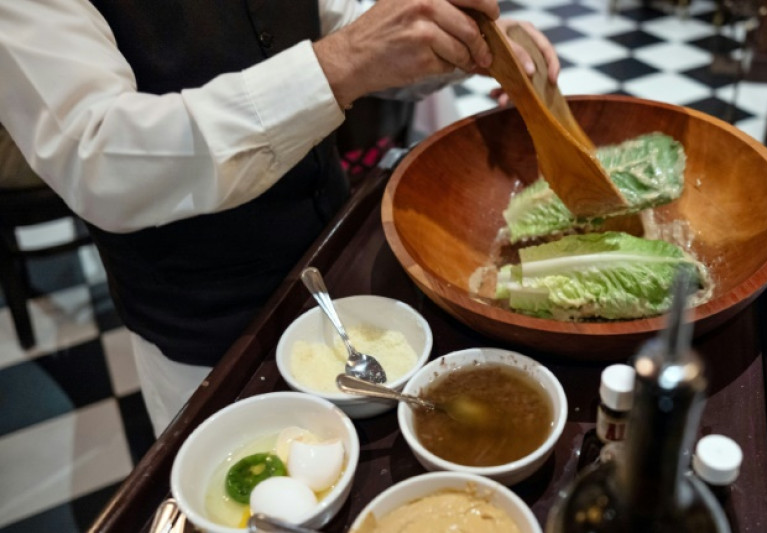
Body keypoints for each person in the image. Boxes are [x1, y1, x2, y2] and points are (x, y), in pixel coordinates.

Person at [0, 0, 560, 433]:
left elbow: (336, 19)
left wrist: (460, 40)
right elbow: (97, 155)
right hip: (204, 323)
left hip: (332, 256)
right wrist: (343, 62)